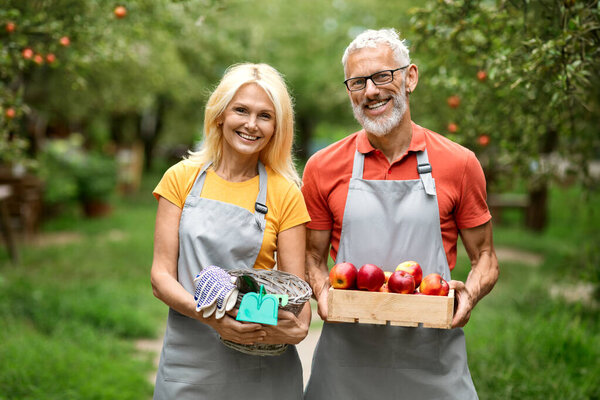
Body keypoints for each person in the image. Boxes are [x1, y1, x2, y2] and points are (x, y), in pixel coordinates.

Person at [302, 28, 499, 399]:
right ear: (349, 92)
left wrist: (468, 296)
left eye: (382, 76)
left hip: (432, 359)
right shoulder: (322, 167)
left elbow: (486, 258)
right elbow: (311, 257)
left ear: (409, 78)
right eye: (358, 82)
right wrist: (321, 289)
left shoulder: (459, 163)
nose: (371, 91)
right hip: (347, 363)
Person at [150, 63, 311, 400]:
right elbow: (161, 277)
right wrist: (213, 317)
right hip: (189, 363)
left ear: (277, 127)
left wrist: (292, 327)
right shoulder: (181, 178)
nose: (251, 124)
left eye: (265, 116)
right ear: (220, 114)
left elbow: (299, 297)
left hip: (261, 368)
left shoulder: (285, 193)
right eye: (241, 110)